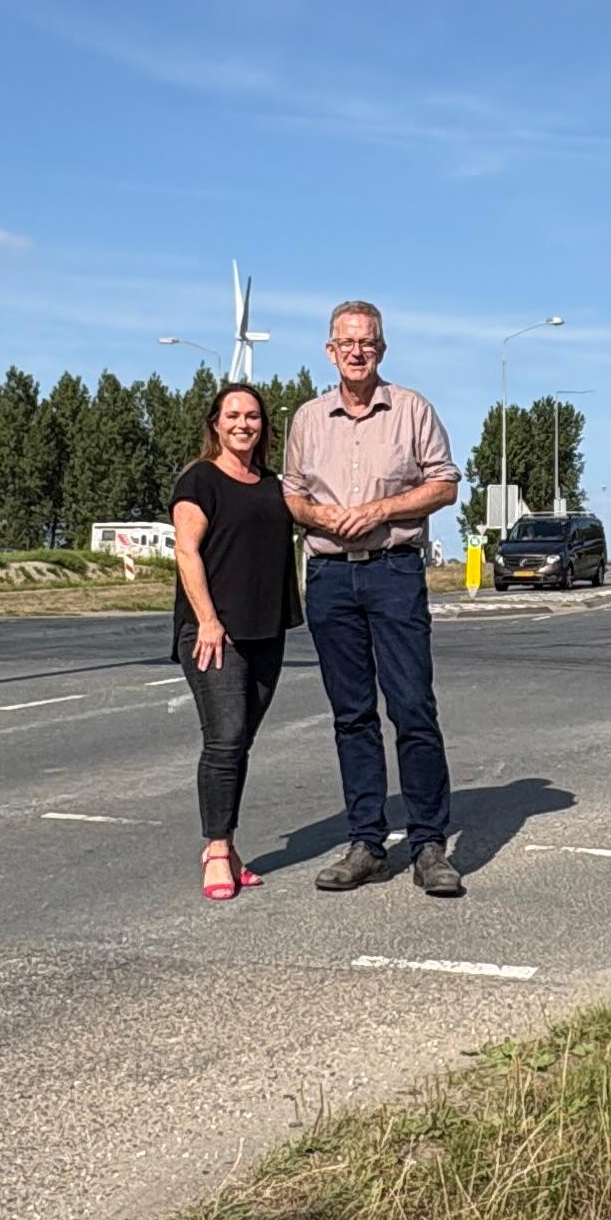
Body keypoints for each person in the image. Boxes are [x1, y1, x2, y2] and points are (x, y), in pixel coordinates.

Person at [283, 300, 464, 895]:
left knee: (412, 707)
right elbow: (291, 495)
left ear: (381, 350)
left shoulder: (411, 410)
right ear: (330, 351)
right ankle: (366, 842)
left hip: (394, 572)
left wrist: (382, 510)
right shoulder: (308, 419)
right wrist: (320, 514)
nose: (356, 351)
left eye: (367, 342)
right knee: (351, 715)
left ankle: (428, 844)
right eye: (345, 342)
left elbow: (444, 484)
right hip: (331, 579)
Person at [170, 382, 295, 901]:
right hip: (213, 632)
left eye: (253, 416)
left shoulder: (272, 484)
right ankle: (216, 849)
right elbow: (186, 551)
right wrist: (208, 620)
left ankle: (230, 845)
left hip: (266, 630)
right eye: (233, 415)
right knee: (224, 740)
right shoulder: (199, 479)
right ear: (215, 424)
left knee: (240, 741)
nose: (244, 424)